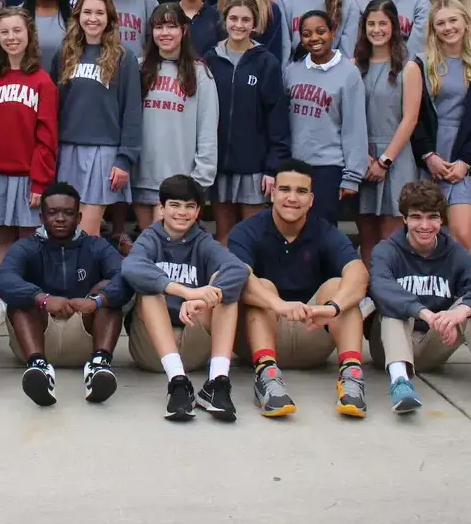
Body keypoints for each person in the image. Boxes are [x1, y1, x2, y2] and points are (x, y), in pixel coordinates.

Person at [229, 159, 370, 418]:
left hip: (311, 331)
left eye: (301, 191)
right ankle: (267, 378)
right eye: (285, 190)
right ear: (272, 193)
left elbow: (358, 273)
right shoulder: (247, 231)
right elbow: (235, 278)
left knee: (339, 286)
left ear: (311, 199)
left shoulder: (323, 230)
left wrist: (333, 307)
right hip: (259, 336)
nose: (292, 198)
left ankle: (351, 376)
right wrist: (278, 305)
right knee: (261, 285)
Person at [122, 175, 248, 421]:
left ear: (199, 211)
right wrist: (185, 291)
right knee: (150, 290)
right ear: (162, 208)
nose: (182, 212)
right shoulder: (150, 238)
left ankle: (217, 382)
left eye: (190, 206)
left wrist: (204, 299)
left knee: (224, 291)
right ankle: (177, 383)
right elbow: (131, 267)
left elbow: (237, 269)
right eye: (175, 205)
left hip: (194, 337)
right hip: (152, 348)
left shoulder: (202, 241)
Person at [0, 181, 128, 406]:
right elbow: (2, 280)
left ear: (79, 218)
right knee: (21, 296)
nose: (60, 218)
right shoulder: (26, 247)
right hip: (38, 336)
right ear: (41, 218)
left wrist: (96, 302)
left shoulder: (97, 246)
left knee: (109, 291)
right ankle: (38, 367)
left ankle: (99, 364)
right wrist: (42, 298)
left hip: (84, 334)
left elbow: (125, 278)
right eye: (53, 212)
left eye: (68, 213)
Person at [0, 8, 59, 329]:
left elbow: (47, 136)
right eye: (5, 32)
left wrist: (40, 181)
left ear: (29, 36)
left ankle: (22, 296)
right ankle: (1, 295)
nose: (11, 38)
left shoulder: (42, 82)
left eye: (17, 32)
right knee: (1, 236)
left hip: (27, 175)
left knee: (27, 239)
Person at [369, 180, 471, 414]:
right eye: (416, 217)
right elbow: (380, 286)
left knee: (467, 309)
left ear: (441, 219)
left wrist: (460, 312)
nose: (424, 225)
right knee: (393, 309)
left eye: (432, 217)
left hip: (434, 342)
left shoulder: (454, 253)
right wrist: (421, 311)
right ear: (404, 219)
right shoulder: (387, 250)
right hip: (388, 346)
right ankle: (400, 382)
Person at [53, 0, 141, 237]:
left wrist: (125, 158)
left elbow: (132, 110)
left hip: (104, 152)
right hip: (67, 149)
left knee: (87, 232)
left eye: (100, 13)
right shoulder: (65, 54)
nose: (93, 18)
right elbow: (55, 106)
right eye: (87, 12)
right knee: (64, 230)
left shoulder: (123, 57)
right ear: (78, 16)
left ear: (110, 18)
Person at [205, 0, 290, 245]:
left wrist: (273, 166)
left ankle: (251, 283)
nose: (238, 25)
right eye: (233, 18)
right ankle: (223, 284)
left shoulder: (266, 62)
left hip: (253, 165)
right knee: (224, 234)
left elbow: (277, 118)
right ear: (225, 21)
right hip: (219, 164)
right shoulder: (210, 59)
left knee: (251, 237)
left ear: (254, 24)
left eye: (245, 20)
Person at [134, 3, 218, 230]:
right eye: (159, 27)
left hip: (181, 182)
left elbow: (208, 128)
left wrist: (199, 180)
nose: (165, 33)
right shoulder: (138, 69)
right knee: (148, 246)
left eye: (171, 26)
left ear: (184, 30)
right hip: (142, 177)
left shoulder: (200, 73)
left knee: (170, 250)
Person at [284, 10, 368, 225]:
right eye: (306, 34)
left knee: (321, 234)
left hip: (328, 168)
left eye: (321, 31)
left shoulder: (349, 73)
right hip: (294, 165)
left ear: (332, 32)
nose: (314, 38)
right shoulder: (292, 70)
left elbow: (354, 127)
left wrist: (352, 176)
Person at [354, 0, 422, 264]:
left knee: (391, 237)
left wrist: (385, 160)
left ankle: (391, 299)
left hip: (396, 157)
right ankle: (370, 299)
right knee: (367, 237)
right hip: (362, 156)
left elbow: (410, 118)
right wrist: (364, 157)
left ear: (394, 26)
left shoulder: (409, 67)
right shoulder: (354, 65)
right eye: (371, 24)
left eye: (383, 23)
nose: (377, 29)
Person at [411, 0, 471, 250]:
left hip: (463, 155)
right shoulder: (422, 63)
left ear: (466, 22)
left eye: (453, 20)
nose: (448, 28)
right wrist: (428, 155)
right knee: (427, 236)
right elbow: (414, 117)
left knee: (461, 233)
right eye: (441, 23)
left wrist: (466, 162)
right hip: (431, 156)